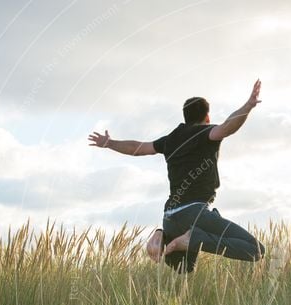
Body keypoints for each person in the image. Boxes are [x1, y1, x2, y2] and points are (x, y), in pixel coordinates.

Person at [87, 79, 266, 273]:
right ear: (207, 117)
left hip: (170, 217)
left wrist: (109, 143)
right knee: (256, 250)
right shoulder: (205, 132)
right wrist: (248, 106)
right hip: (194, 213)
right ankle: (192, 237)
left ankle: (162, 236)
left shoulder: (170, 140)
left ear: (185, 116)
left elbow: (137, 148)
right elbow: (227, 127)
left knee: (183, 270)